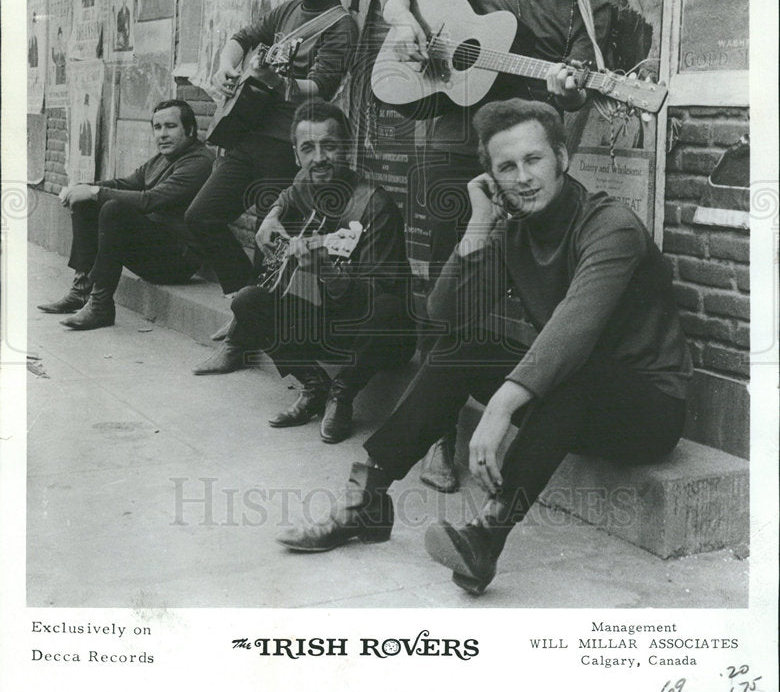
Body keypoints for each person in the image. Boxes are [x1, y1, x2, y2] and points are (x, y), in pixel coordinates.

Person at [276, 98, 691, 595]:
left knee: (573, 370)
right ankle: (366, 497)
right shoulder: (512, 231)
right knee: (461, 346)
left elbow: (573, 331)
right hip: (566, 400)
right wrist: (477, 226)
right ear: (492, 178)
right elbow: (445, 314)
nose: (524, 178)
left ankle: (486, 536)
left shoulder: (610, 226)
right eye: (506, 168)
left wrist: (500, 407)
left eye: (533, 160)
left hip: (647, 410)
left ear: (561, 157)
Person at [380, 0, 649, 492]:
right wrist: (401, 20)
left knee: (504, 285)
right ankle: (438, 438)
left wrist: (570, 89)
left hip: (519, 162)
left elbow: (580, 95)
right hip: (451, 149)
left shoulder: (588, 6)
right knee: (448, 281)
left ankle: (520, 403)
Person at [193, 99, 415, 444]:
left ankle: (342, 393)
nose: (319, 158)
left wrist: (326, 270)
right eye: (308, 148)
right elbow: (292, 190)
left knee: (387, 309)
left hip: (371, 334)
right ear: (296, 156)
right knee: (248, 301)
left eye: (330, 146)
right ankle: (314, 386)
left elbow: (381, 294)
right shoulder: (305, 185)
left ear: (347, 149)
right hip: (321, 320)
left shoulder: (374, 205)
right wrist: (273, 214)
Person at [185, 0, 358, 303]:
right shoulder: (286, 10)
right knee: (200, 216)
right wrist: (226, 66)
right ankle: (243, 298)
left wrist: (277, 83)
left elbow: (321, 87)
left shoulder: (341, 24)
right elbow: (242, 38)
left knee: (272, 240)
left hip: (286, 145)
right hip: (249, 135)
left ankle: (248, 325)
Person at [39, 100, 214, 332]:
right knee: (86, 202)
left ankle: (100, 305)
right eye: (157, 127)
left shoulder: (199, 161)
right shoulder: (161, 159)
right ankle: (81, 289)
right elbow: (127, 183)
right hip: (155, 249)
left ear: (190, 130)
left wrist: (94, 192)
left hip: (178, 261)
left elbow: (150, 199)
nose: (162, 134)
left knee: (113, 209)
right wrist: (83, 187)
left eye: (170, 126)